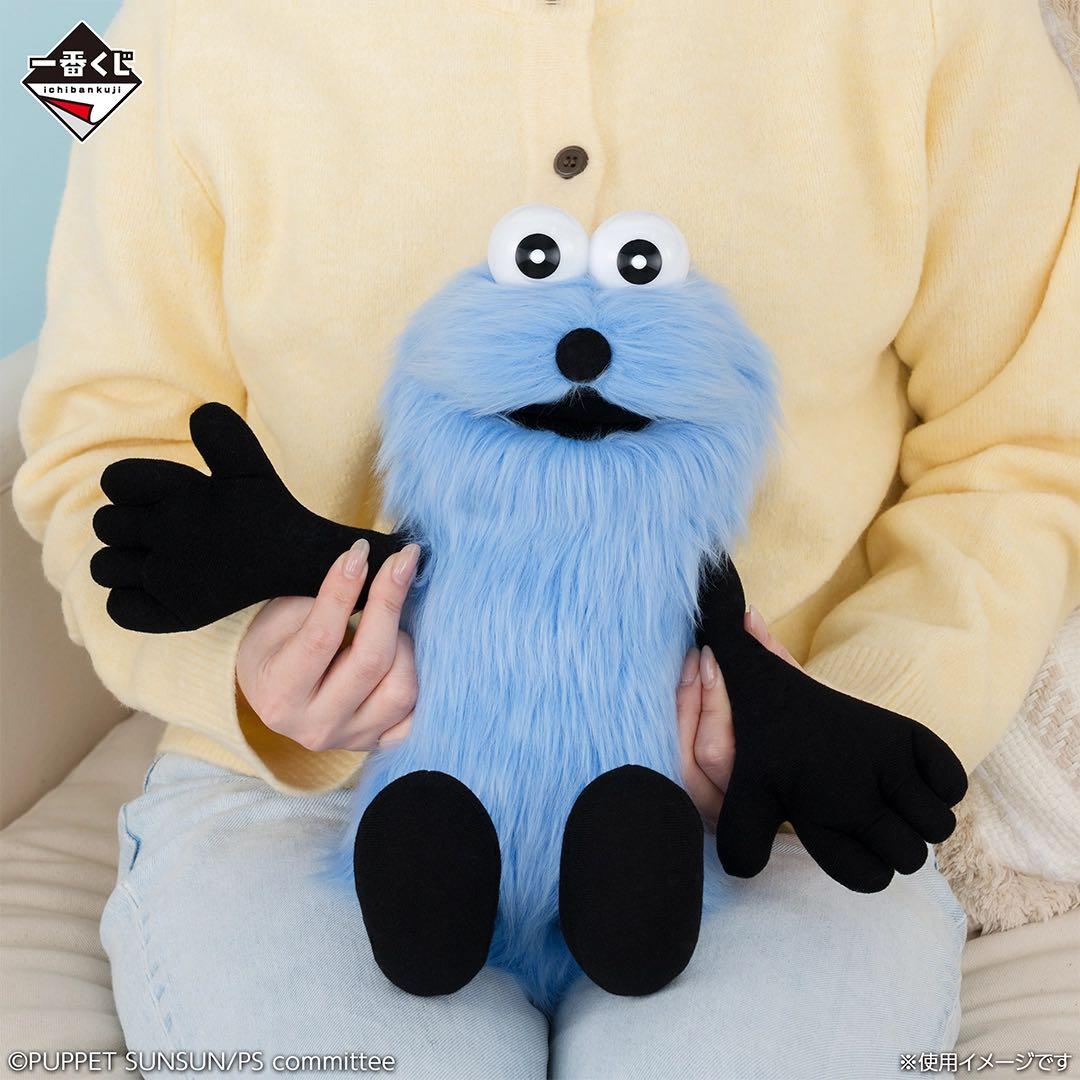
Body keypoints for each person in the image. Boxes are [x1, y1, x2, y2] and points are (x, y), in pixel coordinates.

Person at [14, 1, 1079, 1076]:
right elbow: (109, 442)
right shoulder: (181, 31)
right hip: (301, 797)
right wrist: (249, 665)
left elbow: (1025, 442)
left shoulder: (935, 22)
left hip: (780, 812)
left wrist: (842, 724)